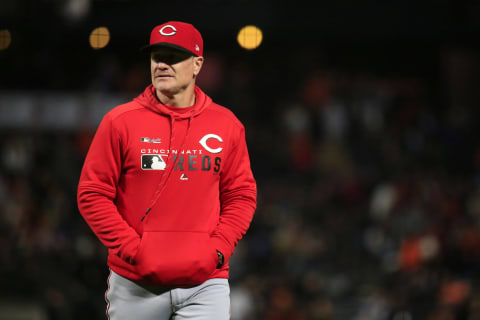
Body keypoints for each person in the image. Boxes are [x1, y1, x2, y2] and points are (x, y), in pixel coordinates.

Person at [77, 21, 257, 320]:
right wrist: (132, 249)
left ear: (198, 64)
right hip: (136, 284)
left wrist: (219, 247)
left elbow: (241, 195)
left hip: (205, 283)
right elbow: (92, 193)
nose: (162, 64)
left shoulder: (226, 125)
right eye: (156, 56)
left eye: (174, 57)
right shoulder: (120, 122)